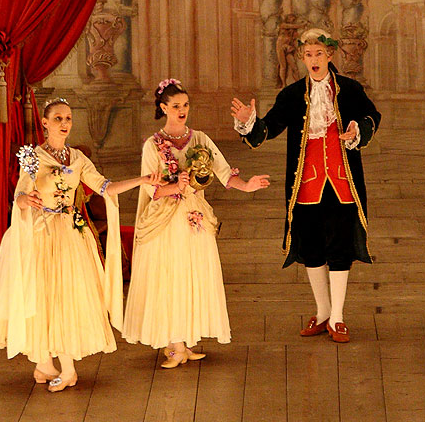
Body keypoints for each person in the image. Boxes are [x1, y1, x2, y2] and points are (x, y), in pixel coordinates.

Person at [0, 98, 153, 391]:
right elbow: (19, 196)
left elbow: (105, 187)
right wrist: (27, 200)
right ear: (45, 123)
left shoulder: (77, 159)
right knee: (44, 298)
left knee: (66, 298)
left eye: (68, 119)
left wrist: (141, 180)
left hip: (70, 236)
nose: (65, 124)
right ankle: (46, 363)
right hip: (41, 234)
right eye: (58, 118)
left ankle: (64, 369)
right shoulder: (34, 157)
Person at [232, 27, 382, 344]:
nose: (314, 59)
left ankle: (338, 317)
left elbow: (372, 116)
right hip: (306, 186)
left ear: (329, 55)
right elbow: (268, 129)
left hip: (342, 183)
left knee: (340, 248)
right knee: (312, 247)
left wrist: (357, 129)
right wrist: (248, 122)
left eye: (319, 54)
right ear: (302, 58)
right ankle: (323, 312)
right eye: (308, 54)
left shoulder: (350, 90)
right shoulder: (291, 96)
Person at [126, 80, 270, 368]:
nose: (182, 110)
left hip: (194, 217)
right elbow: (151, 189)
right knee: (171, 278)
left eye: (185, 105)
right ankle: (175, 345)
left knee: (193, 275)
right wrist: (175, 186)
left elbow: (224, 172)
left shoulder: (200, 139)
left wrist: (247, 185)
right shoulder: (153, 145)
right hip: (166, 221)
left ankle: (184, 341)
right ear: (163, 107)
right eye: (175, 106)